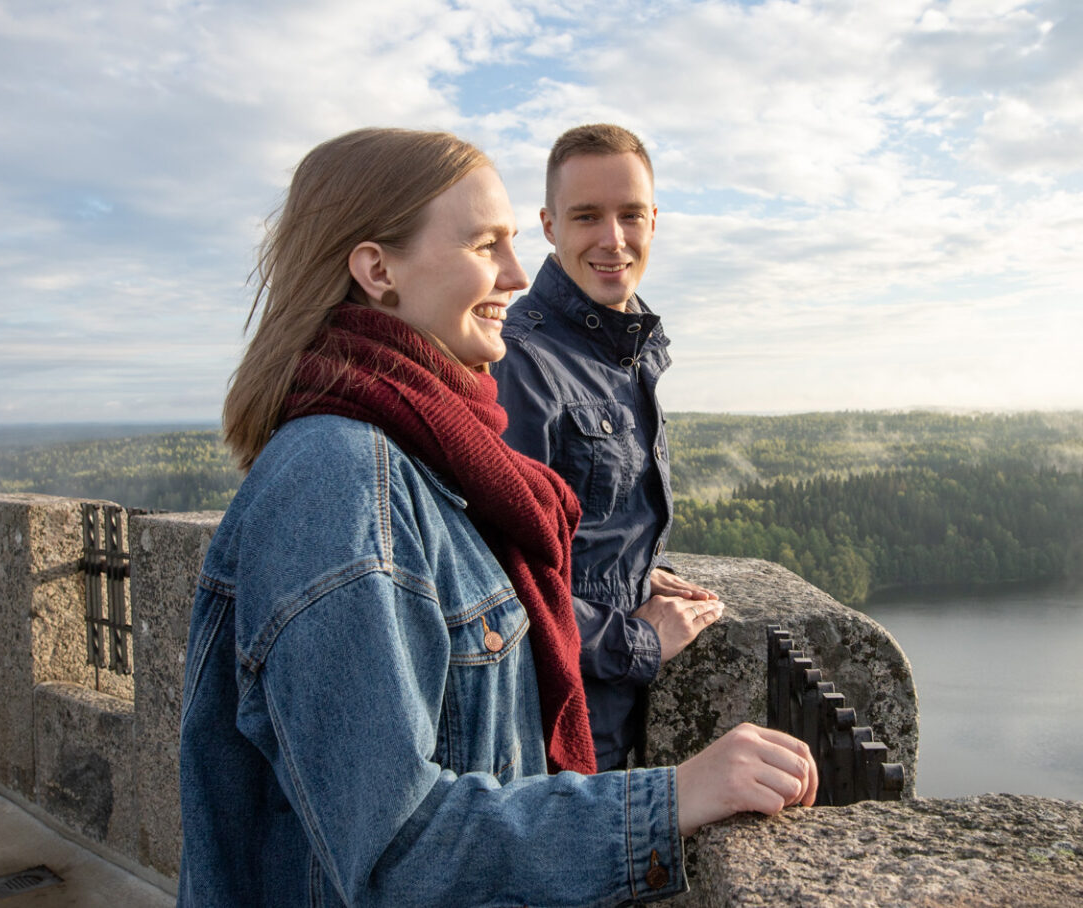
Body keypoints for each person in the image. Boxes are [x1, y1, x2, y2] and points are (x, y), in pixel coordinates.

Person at [177, 127, 818, 907]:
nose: (517, 275)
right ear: (377, 270)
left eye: (512, 243)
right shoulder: (337, 483)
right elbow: (398, 851)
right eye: (487, 245)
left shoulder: (419, 451)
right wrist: (673, 795)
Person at [493, 124, 717, 772]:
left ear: (654, 222)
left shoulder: (623, 350)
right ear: (549, 225)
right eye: (587, 215)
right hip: (553, 728)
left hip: (610, 712)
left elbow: (585, 527)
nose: (613, 239)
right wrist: (641, 639)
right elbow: (504, 580)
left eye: (631, 215)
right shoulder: (523, 361)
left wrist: (637, 573)